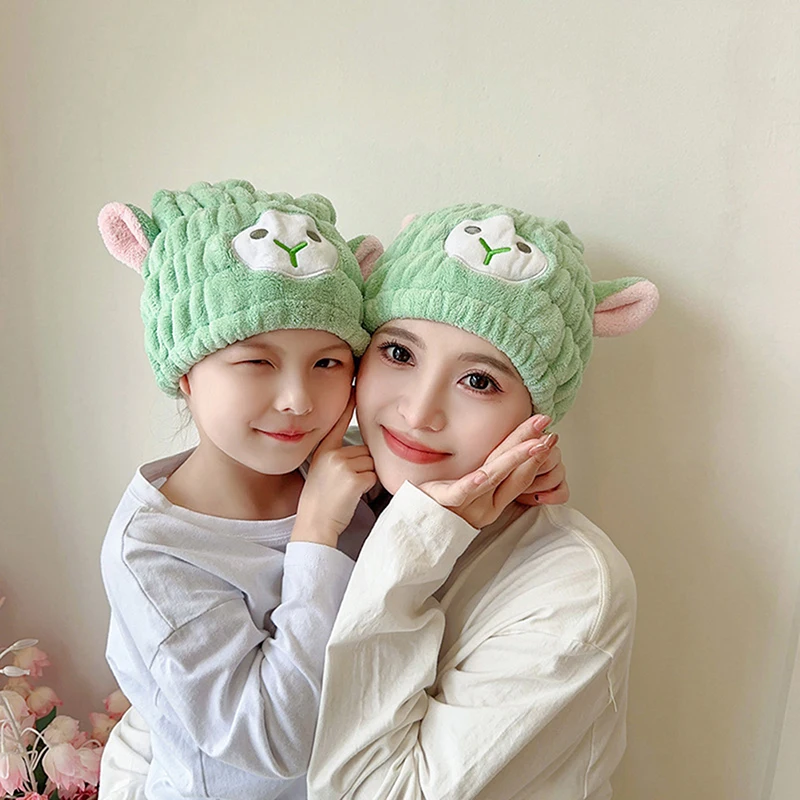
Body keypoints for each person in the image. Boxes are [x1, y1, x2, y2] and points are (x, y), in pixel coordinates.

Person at [95, 184, 567, 800]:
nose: (297, 400)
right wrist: (315, 535)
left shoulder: (337, 464)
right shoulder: (155, 551)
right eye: (257, 362)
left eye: (327, 363)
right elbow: (276, 739)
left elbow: (429, 496)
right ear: (186, 371)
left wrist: (528, 468)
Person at [306, 203, 659, 799]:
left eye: (479, 381)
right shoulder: (328, 489)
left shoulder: (575, 588)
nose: (418, 413)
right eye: (399, 353)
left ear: (536, 416)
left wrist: (419, 542)